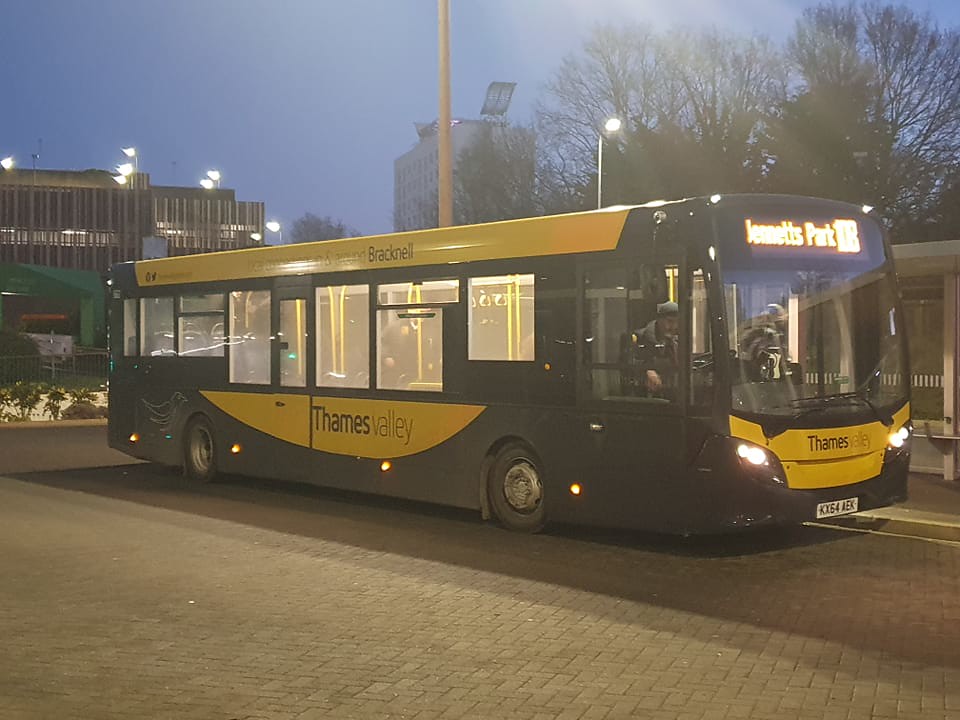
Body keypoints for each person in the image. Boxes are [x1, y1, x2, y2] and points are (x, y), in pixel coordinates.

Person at [633, 301, 680, 396]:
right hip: (646, 397)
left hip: (675, 395)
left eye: (677, 322)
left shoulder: (680, 339)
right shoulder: (640, 338)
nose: (674, 326)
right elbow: (630, 364)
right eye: (670, 321)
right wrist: (646, 371)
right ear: (659, 320)